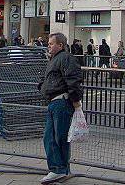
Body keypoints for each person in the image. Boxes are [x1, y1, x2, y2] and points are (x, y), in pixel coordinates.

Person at [37, 33, 83, 183]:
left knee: (57, 137)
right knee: (53, 137)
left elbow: (73, 79)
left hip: (61, 102)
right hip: (55, 102)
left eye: (51, 44)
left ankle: (58, 169)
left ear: (60, 45)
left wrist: (75, 99)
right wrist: (43, 87)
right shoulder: (56, 59)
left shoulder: (65, 58)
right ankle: (61, 169)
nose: (48, 46)